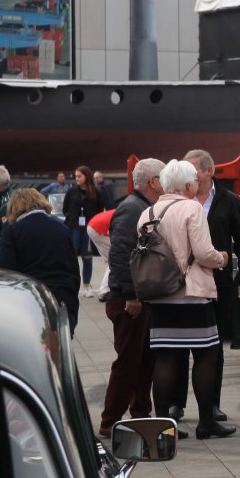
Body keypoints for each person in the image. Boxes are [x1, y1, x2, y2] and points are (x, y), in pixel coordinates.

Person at [147, 159, 236, 440]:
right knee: (206, 356)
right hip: (192, 293)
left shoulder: (149, 211)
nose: (197, 185)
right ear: (187, 185)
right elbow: (203, 252)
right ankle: (206, 421)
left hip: (160, 294)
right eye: (195, 181)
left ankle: (162, 427)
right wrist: (222, 259)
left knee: (165, 359)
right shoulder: (192, 208)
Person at [100, 159, 164, 438]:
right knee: (128, 362)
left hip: (140, 297)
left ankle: (140, 415)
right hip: (129, 300)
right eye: (163, 177)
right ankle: (110, 421)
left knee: (144, 360)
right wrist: (131, 295)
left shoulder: (141, 207)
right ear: (153, 181)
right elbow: (120, 254)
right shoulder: (132, 209)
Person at [185, 150, 240, 360]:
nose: (188, 174)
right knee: (183, 345)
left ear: (209, 170)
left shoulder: (229, 200)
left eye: (193, 169)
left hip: (218, 283)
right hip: (184, 281)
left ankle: (212, 378)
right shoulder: (181, 199)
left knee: (214, 346)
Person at [0, 188, 80, 333]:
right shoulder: (61, 228)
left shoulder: (13, 231)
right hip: (63, 296)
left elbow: (6, 271)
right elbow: (74, 268)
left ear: (15, 207)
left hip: (31, 299)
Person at [63, 166, 110, 297]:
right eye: (76, 176)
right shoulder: (72, 191)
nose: (77, 179)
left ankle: (86, 287)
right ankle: (71, 285)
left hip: (89, 228)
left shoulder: (96, 192)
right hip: (75, 226)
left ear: (86, 176)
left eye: (79, 176)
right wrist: (71, 218)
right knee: (71, 256)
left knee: (87, 257)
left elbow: (100, 209)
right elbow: (65, 208)